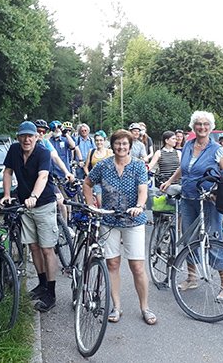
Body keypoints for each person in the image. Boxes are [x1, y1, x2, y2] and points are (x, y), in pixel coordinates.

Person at [83, 129, 156, 325]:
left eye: (125, 144)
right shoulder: (104, 165)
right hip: (109, 220)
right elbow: (87, 183)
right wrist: (91, 205)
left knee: (137, 266)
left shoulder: (139, 166)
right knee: (112, 264)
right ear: (112, 145)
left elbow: (143, 190)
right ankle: (116, 307)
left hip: (133, 221)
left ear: (130, 146)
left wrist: (139, 206)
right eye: (117, 143)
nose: (121, 147)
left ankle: (145, 307)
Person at [159, 111, 223, 302]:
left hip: (209, 200)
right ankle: (192, 277)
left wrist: (220, 193)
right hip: (188, 197)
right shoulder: (188, 145)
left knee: (214, 238)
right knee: (189, 239)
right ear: (193, 126)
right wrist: (169, 181)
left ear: (211, 127)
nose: (202, 127)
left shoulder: (217, 149)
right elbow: (183, 168)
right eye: (198, 124)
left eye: (205, 124)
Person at [0, 121, 60, 312]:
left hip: (43, 203)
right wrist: (7, 194)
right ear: (18, 137)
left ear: (36, 137)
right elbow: (8, 172)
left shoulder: (43, 152)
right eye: (23, 136)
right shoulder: (14, 150)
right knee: (33, 247)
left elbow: (43, 176)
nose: (26, 139)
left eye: (30, 136)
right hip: (26, 205)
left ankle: (51, 292)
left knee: (47, 249)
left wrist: (34, 196)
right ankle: (41, 284)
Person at [83, 130, 113, 206]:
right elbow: (86, 167)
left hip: (108, 181)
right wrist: (90, 176)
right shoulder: (92, 151)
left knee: (110, 203)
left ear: (104, 141)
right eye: (97, 140)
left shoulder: (109, 152)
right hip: (96, 182)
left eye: (101, 140)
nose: (99, 142)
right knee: (100, 203)